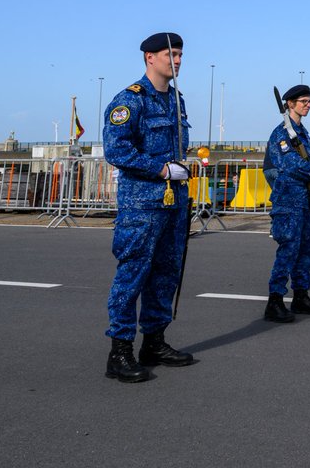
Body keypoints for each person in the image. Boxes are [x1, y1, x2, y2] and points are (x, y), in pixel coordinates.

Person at [101, 32, 196, 383]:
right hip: (142, 204)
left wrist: (181, 169)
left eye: (181, 54)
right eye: (171, 53)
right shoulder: (131, 100)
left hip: (174, 202)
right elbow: (116, 149)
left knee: (166, 274)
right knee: (133, 275)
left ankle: (154, 341)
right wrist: (159, 169)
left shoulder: (175, 101)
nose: (178, 60)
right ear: (149, 58)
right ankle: (120, 350)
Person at [261, 85, 310, 323]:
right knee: (288, 250)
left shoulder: (302, 132)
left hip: (306, 200)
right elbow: (290, 164)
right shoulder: (282, 133)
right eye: (303, 101)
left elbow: (309, 158)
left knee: (307, 250)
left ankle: (301, 295)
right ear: (290, 103)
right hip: (289, 201)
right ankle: (275, 301)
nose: (308, 105)